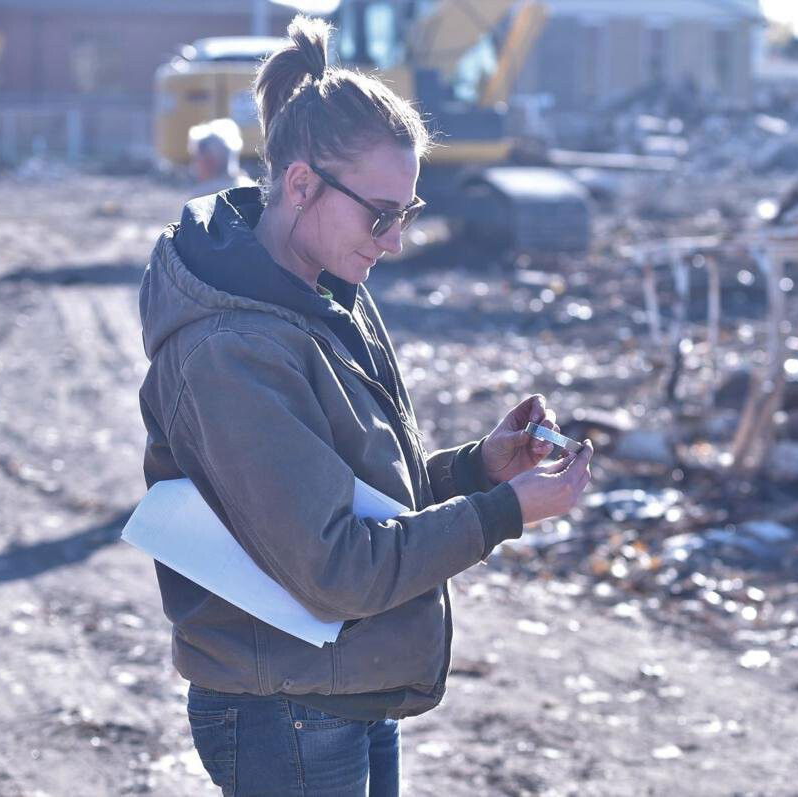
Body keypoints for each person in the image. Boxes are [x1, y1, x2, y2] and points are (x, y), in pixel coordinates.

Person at [137, 16, 593, 796]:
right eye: (381, 214)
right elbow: (337, 566)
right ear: (303, 183)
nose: (396, 241)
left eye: (407, 215)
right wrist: (502, 514)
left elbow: (360, 497)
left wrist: (479, 469)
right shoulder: (232, 349)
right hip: (284, 708)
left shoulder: (325, 296)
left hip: (338, 686)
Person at [187, 118, 253, 196]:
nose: (194, 166)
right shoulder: (250, 188)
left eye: (197, 158)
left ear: (210, 159)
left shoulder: (202, 198)